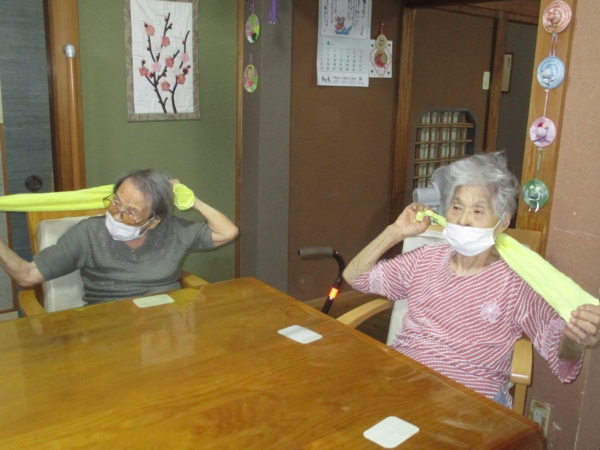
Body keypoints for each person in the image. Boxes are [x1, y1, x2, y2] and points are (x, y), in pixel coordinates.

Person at [343, 153, 600, 407]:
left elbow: (559, 354)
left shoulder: (515, 281)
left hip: (470, 399)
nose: (463, 220)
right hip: (402, 380)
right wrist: (395, 232)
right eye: (456, 207)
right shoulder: (426, 259)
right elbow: (355, 276)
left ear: (503, 222)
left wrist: (574, 337)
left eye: (478, 211)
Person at [0, 169, 238, 304]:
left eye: (131, 213)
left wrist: (190, 199)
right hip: (109, 326)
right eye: (115, 202)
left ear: (155, 220)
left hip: (163, 326)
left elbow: (227, 232)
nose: (116, 215)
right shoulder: (88, 233)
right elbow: (27, 274)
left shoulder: (173, 229)